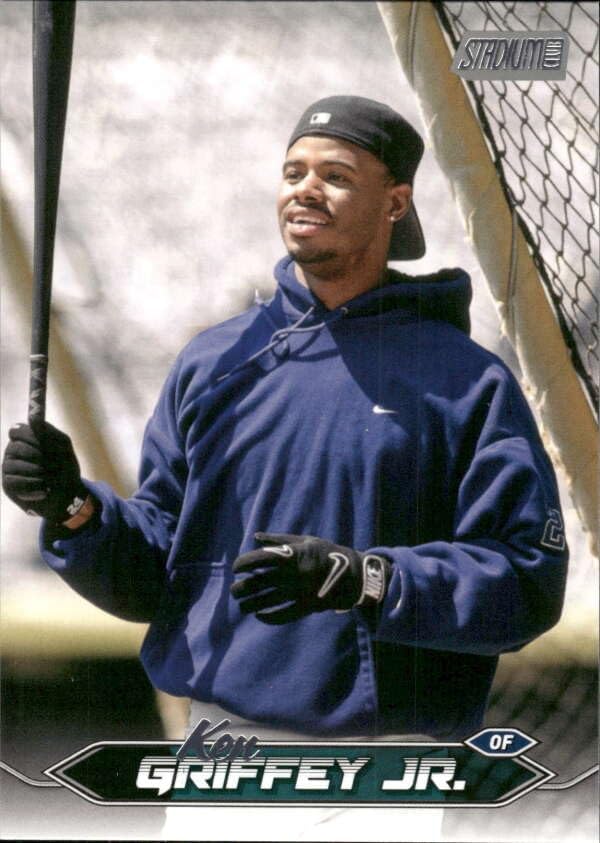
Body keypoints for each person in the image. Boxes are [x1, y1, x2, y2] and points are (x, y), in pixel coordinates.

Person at [2, 95, 568, 746]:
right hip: (219, 749)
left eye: (336, 175)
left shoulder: (467, 380)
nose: (306, 189)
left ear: (395, 203)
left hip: (388, 759)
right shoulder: (215, 361)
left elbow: (526, 578)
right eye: (294, 172)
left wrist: (364, 578)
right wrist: (75, 509)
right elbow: (156, 576)